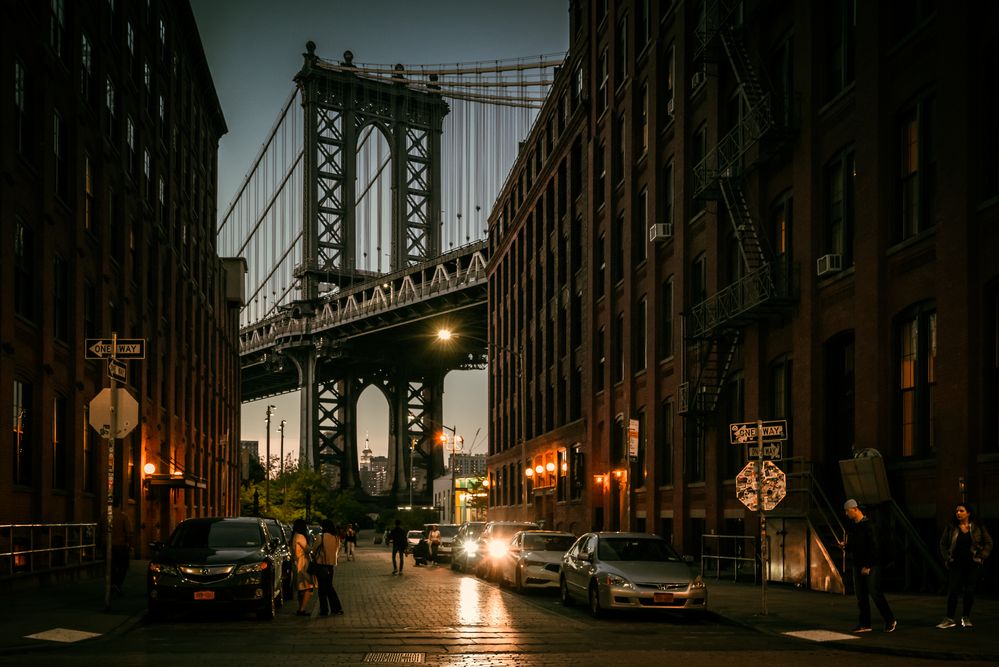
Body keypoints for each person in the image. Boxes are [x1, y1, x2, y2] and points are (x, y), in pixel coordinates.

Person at [841, 499, 897, 633]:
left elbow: (875, 547)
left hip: (871, 565)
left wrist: (868, 565)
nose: (846, 514)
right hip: (858, 564)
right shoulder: (855, 526)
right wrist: (846, 546)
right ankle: (865, 623)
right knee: (861, 596)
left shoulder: (869, 525)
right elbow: (856, 546)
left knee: (874, 592)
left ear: (855, 509)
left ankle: (890, 619)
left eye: (847, 511)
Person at [937, 502, 993, 628]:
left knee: (969, 591)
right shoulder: (951, 527)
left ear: (968, 513)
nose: (958, 513)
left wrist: (982, 555)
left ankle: (965, 617)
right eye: (957, 511)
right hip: (956, 563)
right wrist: (947, 558)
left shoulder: (977, 527)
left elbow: (989, 542)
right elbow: (942, 544)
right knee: (953, 591)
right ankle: (949, 618)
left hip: (972, 563)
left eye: (961, 511)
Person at [311, 519, 344, 616]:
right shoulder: (336, 538)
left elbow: (313, 550)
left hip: (321, 565)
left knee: (324, 588)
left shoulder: (320, 537)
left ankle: (328, 609)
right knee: (328, 586)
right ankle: (334, 609)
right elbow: (337, 552)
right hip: (331, 566)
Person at [291, 518, 315, 615]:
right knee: (308, 587)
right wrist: (313, 548)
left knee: (301, 588)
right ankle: (302, 609)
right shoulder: (300, 536)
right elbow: (307, 549)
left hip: (297, 564)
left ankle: (300, 608)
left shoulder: (294, 536)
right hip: (303, 564)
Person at [110, 503, 132, 594]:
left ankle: (113, 584)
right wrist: (129, 544)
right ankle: (117, 584)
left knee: (111, 566)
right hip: (120, 545)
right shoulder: (123, 517)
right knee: (123, 566)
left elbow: (99, 530)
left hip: (108, 545)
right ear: (119, 505)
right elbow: (128, 532)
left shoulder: (104, 516)